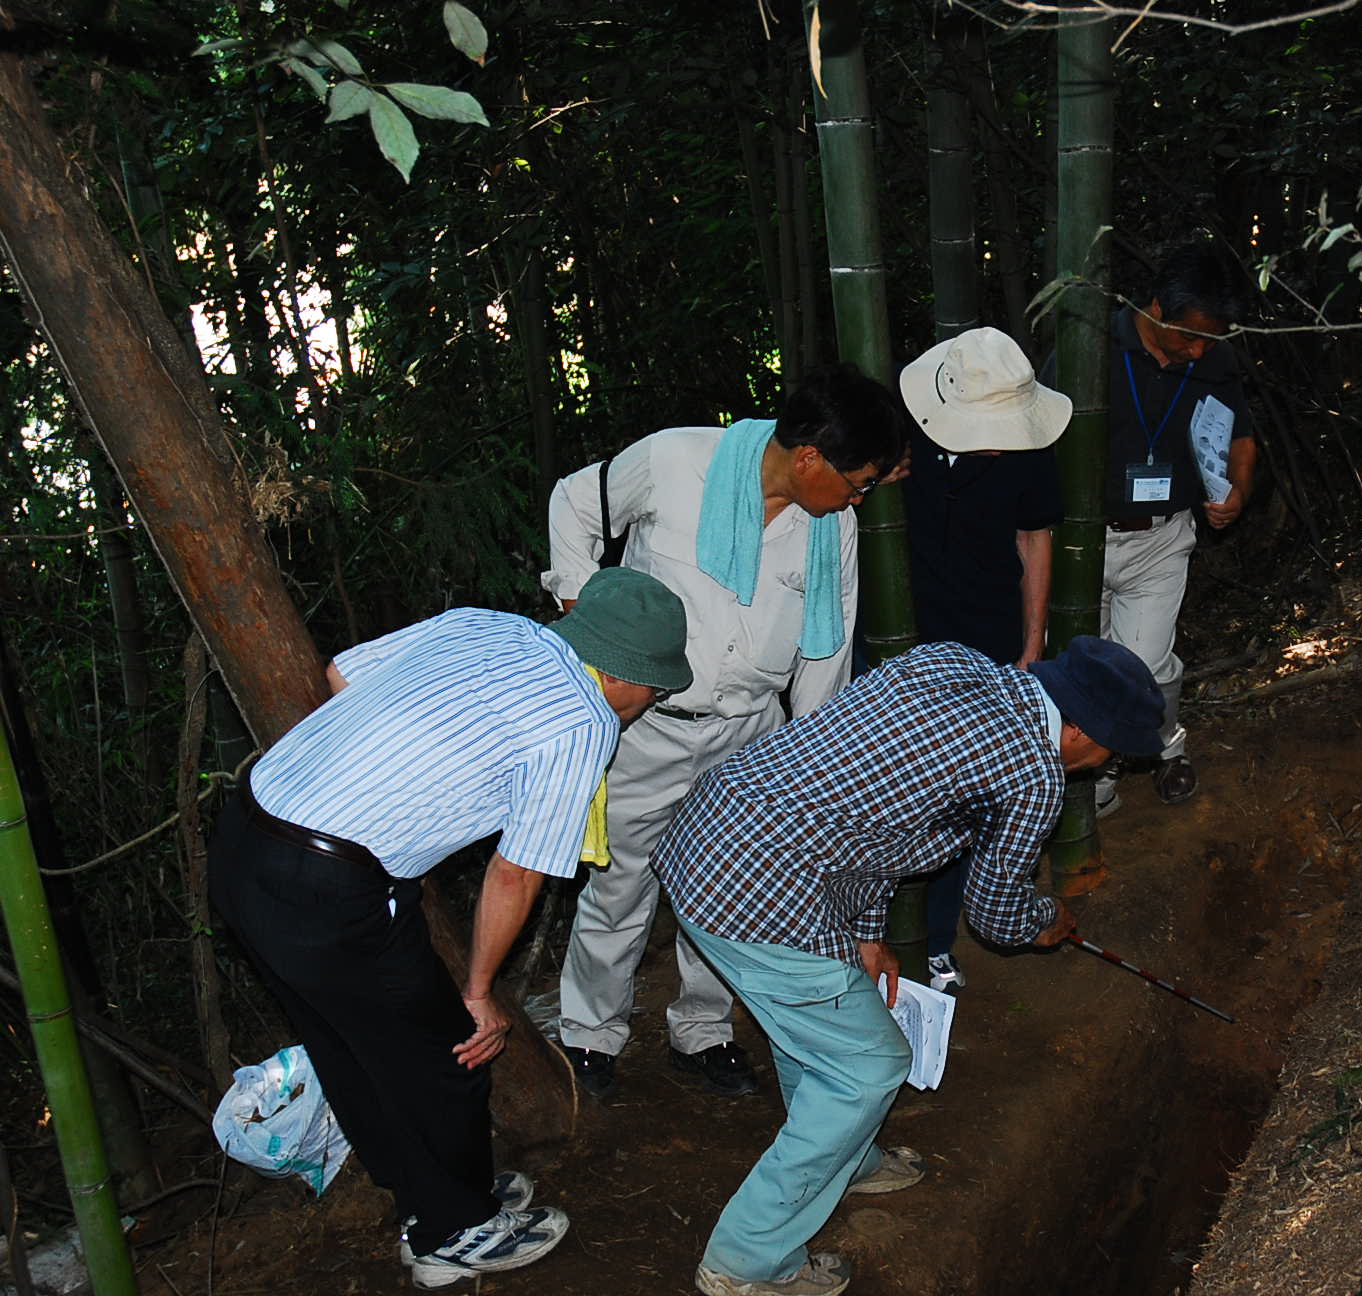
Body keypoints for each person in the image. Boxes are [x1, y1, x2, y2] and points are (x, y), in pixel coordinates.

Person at [209, 567, 692, 1290]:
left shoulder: (483, 624)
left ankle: (432, 1198)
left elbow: (341, 675)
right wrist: (479, 992)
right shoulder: (583, 721)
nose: (650, 705)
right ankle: (450, 1236)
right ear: (624, 675)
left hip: (244, 835)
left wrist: (392, 789)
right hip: (325, 887)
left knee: (351, 1050)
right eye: (656, 691)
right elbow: (515, 872)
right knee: (454, 1052)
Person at [653, 634, 1162, 1296]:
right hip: (761, 891)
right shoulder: (1033, 775)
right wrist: (1046, 920)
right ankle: (746, 1260)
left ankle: (847, 1156)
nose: (1105, 763)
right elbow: (996, 914)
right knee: (866, 1069)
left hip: (710, 832)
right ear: (1081, 731)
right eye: (1111, 750)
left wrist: (869, 933)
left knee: (818, 1038)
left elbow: (877, 809)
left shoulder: (952, 663)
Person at [540, 365, 907, 1099]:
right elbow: (574, 502)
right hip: (647, 725)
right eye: (858, 483)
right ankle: (589, 1035)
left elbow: (827, 648)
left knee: (729, 889)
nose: (860, 498)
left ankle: (702, 1031)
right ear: (810, 458)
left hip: (751, 735)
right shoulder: (675, 460)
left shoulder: (831, 527)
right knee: (619, 884)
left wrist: (811, 757)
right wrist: (585, 610)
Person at [899, 326, 1071, 994]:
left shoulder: (1031, 453)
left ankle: (936, 941)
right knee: (892, 789)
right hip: (893, 631)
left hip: (985, 634)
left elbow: (1034, 539)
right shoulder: (899, 429)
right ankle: (868, 933)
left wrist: (1031, 644)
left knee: (960, 796)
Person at [1096, 240, 1257, 816]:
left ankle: (1162, 746)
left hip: (1161, 537)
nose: (1197, 350)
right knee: (1087, 661)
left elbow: (1240, 433)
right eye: (1189, 337)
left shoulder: (1213, 358)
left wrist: (1238, 491)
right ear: (1158, 308)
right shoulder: (1092, 345)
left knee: (1144, 660)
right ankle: (1096, 770)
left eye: (1209, 340)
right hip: (1082, 538)